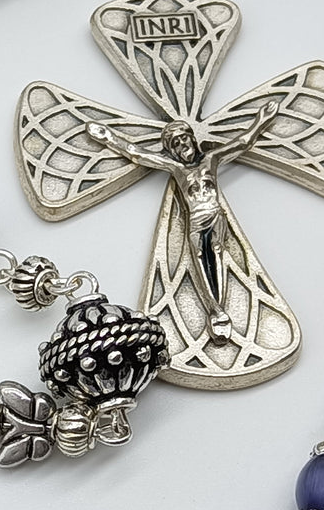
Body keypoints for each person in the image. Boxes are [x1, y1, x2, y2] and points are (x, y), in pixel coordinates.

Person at [88, 100, 281, 341]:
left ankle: (220, 312)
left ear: (192, 139)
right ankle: (215, 310)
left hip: (215, 215)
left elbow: (243, 142)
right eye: (176, 144)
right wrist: (107, 137)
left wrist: (262, 119)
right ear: (171, 150)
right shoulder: (177, 169)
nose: (182, 145)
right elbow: (137, 153)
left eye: (184, 139)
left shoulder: (210, 159)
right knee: (199, 258)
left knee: (217, 251)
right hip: (196, 220)